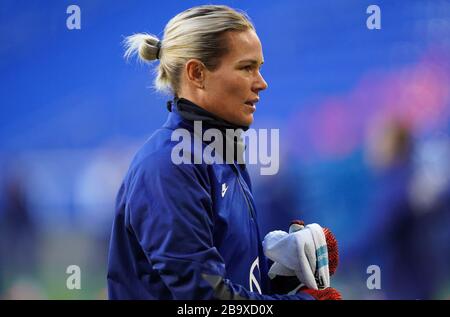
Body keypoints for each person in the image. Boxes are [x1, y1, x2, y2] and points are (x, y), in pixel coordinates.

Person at [107, 4, 332, 300]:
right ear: (197, 73)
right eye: (246, 67)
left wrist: (281, 274)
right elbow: (205, 299)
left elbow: (233, 281)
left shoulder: (221, 156)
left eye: (260, 68)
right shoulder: (169, 166)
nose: (261, 83)